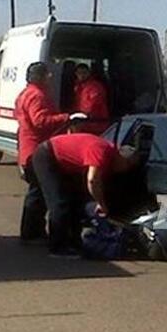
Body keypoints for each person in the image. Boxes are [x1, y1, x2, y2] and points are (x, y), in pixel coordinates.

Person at [31, 133, 139, 257]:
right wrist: (101, 203)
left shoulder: (110, 155)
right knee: (59, 203)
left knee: (74, 202)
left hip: (64, 163)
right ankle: (57, 247)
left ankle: (72, 242)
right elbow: (92, 180)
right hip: (48, 156)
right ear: (122, 159)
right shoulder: (102, 151)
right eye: (128, 166)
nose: (125, 170)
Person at [14, 61, 86, 243]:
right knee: (45, 194)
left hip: (27, 148)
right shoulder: (37, 96)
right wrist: (66, 118)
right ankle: (35, 233)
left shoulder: (25, 94)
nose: (50, 77)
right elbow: (40, 121)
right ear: (38, 77)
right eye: (47, 74)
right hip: (36, 148)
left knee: (35, 193)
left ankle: (31, 231)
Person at [73, 63, 111, 134]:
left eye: (84, 72)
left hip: (95, 123)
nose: (82, 75)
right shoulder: (77, 87)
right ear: (76, 74)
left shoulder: (95, 87)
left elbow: (94, 104)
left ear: (89, 73)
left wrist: (82, 116)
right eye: (79, 73)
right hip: (83, 124)